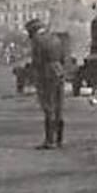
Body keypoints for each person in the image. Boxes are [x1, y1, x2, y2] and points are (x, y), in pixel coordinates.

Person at [25, 17, 67, 149]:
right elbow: (63, 57)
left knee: (48, 107)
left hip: (46, 74)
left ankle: (50, 140)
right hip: (59, 71)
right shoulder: (55, 38)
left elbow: (37, 60)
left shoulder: (37, 41)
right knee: (58, 106)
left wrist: (32, 76)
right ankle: (59, 139)